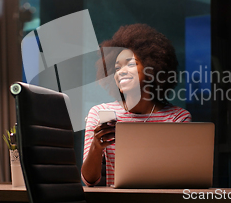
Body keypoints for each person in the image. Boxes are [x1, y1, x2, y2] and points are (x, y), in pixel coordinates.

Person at [81, 24, 191, 187]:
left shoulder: (177, 117)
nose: (121, 72)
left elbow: (183, 175)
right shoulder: (99, 113)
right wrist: (96, 147)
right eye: (117, 68)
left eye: (130, 64)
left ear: (151, 69)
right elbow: (89, 181)